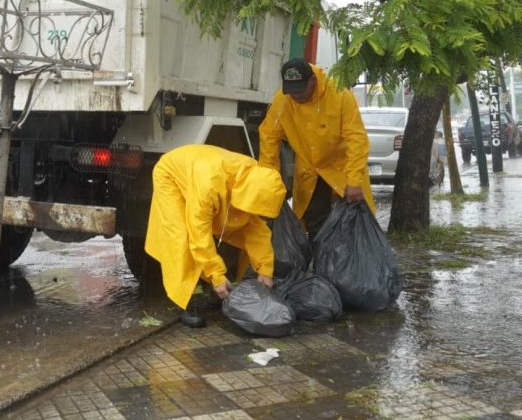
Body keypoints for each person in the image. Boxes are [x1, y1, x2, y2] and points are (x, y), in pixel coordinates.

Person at [144, 144, 287, 327]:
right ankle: (186, 300)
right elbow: (199, 233)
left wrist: (265, 270)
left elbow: (257, 231)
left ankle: (217, 289)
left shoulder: (254, 182)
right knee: (181, 237)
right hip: (170, 175)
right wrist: (216, 275)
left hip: (201, 171)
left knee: (233, 230)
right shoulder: (209, 185)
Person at [259, 58, 374, 237]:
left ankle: (344, 264)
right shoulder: (283, 100)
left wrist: (353, 181)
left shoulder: (339, 94)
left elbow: (357, 139)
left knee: (350, 227)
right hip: (310, 170)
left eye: (300, 90)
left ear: (313, 80)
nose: (296, 97)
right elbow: (268, 137)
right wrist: (268, 182)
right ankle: (321, 264)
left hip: (341, 170)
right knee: (314, 224)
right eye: (292, 91)